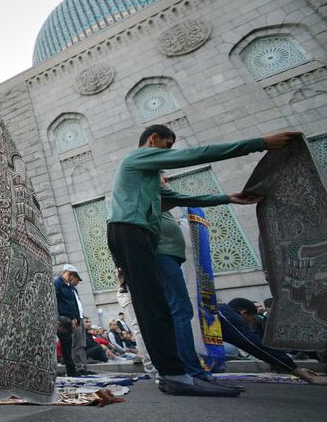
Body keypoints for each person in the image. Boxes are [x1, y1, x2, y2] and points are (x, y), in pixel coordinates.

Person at [106, 123, 299, 397]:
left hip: (137, 235)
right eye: (167, 146)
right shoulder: (139, 157)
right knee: (153, 307)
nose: (169, 153)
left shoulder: (147, 181)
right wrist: (260, 142)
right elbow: (196, 155)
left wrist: (227, 198)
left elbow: (183, 197)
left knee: (157, 306)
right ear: (153, 140)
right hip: (129, 231)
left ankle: (174, 374)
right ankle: (175, 376)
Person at [156, 171, 246, 391]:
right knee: (181, 311)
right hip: (163, 257)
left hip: (171, 258)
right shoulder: (152, 192)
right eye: (163, 178)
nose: (167, 182)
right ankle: (190, 372)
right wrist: (226, 197)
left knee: (179, 312)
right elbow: (187, 199)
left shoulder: (161, 199)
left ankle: (183, 371)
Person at [219, 298, 327, 385]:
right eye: (252, 319)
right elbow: (256, 346)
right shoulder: (229, 316)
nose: (250, 324)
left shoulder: (221, 313)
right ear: (244, 313)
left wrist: (295, 369)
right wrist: (305, 376)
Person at [54, 264, 90, 376]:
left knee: (68, 346)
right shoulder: (57, 283)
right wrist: (56, 318)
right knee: (65, 346)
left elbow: (72, 304)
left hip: (70, 321)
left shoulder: (69, 287)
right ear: (65, 273)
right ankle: (71, 370)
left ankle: (71, 371)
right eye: (70, 275)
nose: (70, 278)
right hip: (61, 320)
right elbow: (54, 301)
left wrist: (75, 319)